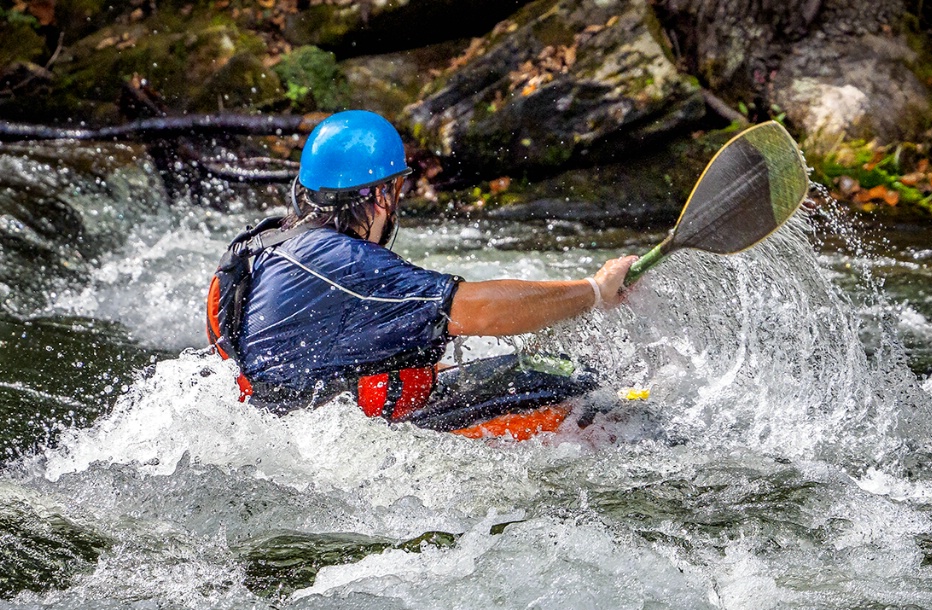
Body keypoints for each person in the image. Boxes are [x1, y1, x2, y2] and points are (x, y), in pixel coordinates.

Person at [208, 110, 636, 427]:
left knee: (515, 371)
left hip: (287, 431)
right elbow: (480, 310)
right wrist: (594, 289)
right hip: (346, 444)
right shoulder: (347, 263)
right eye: (398, 189)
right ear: (381, 197)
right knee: (579, 396)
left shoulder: (265, 248)